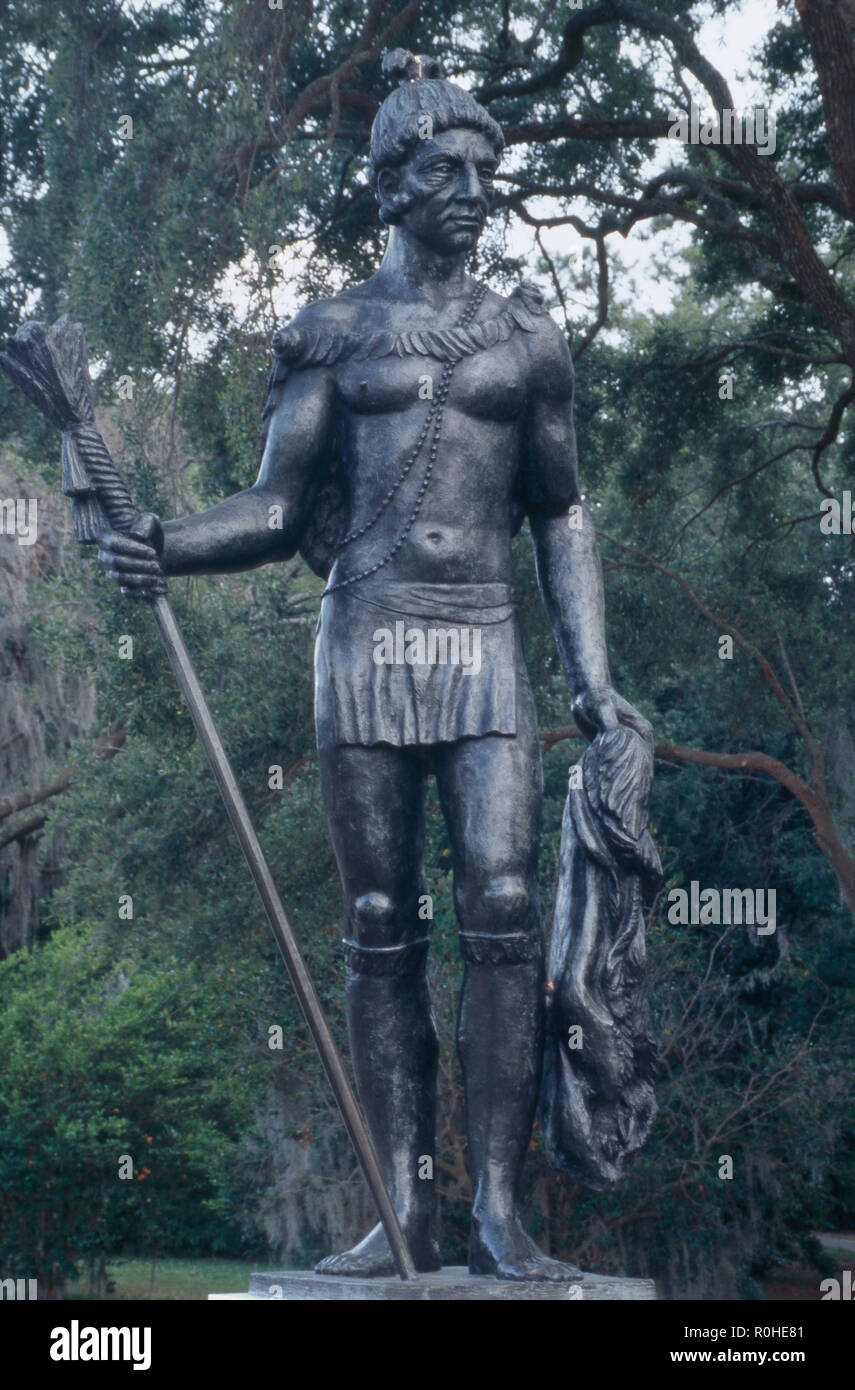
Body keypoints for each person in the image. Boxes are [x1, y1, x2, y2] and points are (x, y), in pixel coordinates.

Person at [98, 50, 651, 1281]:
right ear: (391, 184)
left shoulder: (528, 339)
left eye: (483, 169)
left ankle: (501, 1213)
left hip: (485, 640)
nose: (470, 187)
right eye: (443, 168)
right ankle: (400, 1218)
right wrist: (164, 544)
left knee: (503, 913)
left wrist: (592, 671)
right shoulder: (336, 334)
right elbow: (277, 508)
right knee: (373, 924)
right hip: (367, 636)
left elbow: (563, 512)